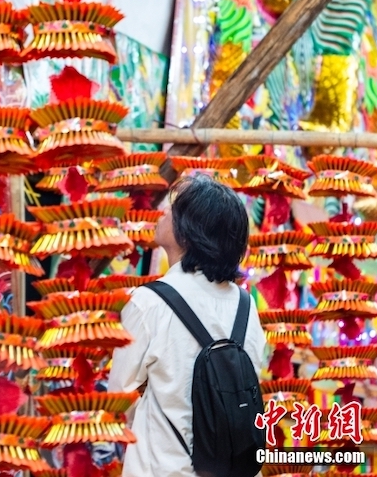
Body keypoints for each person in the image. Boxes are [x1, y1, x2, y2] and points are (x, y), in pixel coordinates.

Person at [108, 174, 267, 477]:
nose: (163, 214)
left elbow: (118, 399)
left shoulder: (148, 303)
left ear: (189, 230)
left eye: (171, 209)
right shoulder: (246, 306)